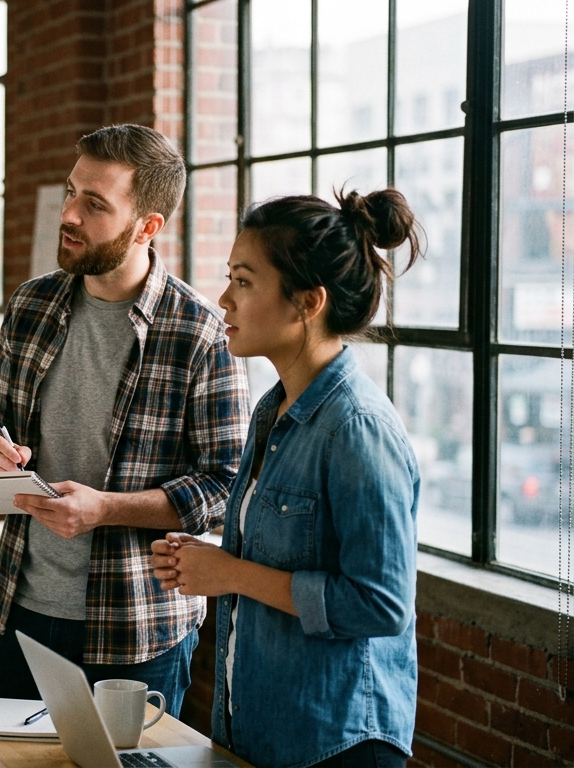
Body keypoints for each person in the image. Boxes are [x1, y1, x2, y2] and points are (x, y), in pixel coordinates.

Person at [0, 124, 248, 717]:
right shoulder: (30, 305)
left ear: (148, 226)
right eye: (72, 192)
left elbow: (225, 485)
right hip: (20, 605)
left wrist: (106, 508)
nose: (67, 214)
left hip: (135, 627)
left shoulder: (198, 331)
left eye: (94, 204)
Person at [150, 190, 422, 768]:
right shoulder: (271, 410)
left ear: (307, 303)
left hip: (338, 744)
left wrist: (230, 573)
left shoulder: (357, 428)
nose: (224, 299)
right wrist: (211, 559)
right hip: (265, 731)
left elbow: (380, 604)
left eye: (244, 282)